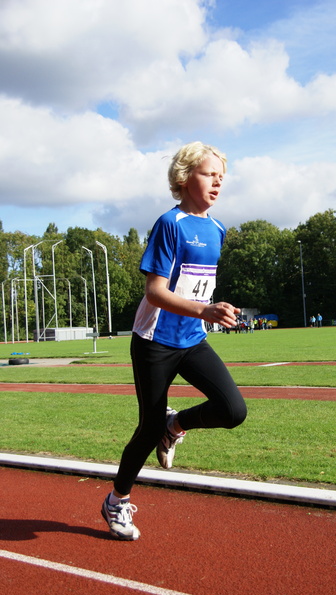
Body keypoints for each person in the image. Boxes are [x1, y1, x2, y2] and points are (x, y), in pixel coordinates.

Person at [101, 142, 247, 541]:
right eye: (208, 174)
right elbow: (155, 291)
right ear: (184, 178)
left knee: (233, 410)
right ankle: (116, 501)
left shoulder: (217, 229)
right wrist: (205, 311)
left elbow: (199, 286)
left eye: (221, 176)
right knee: (146, 429)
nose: (217, 182)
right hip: (155, 341)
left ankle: (176, 424)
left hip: (191, 339)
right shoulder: (171, 224)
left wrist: (213, 310)